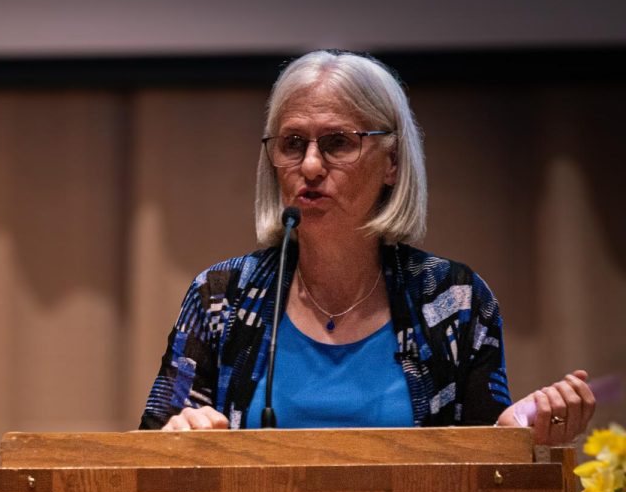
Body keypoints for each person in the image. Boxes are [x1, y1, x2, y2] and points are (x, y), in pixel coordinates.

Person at [140, 50, 594, 442]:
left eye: (338, 143)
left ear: (392, 162)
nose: (311, 165)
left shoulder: (453, 300)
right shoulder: (222, 296)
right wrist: (177, 436)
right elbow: (147, 459)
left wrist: (509, 435)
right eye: (293, 143)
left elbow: (483, 474)